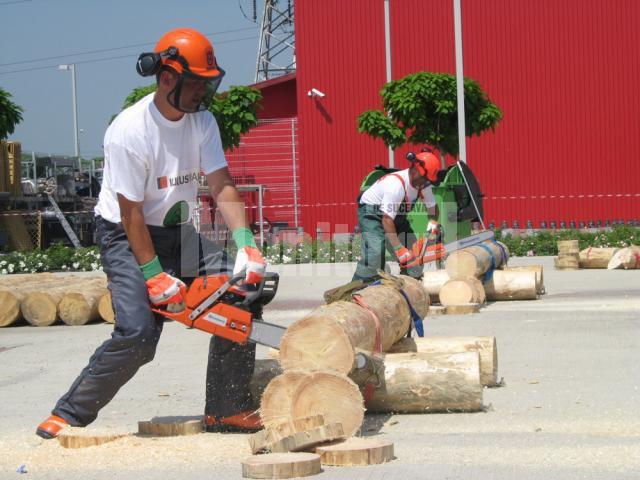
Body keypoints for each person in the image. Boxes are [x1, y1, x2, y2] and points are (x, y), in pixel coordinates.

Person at [36, 28, 266, 439]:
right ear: (166, 78)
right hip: (126, 236)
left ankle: (226, 409)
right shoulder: (129, 131)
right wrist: (155, 275)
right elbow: (130, 214)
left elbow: (221, 184)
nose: (202, 92)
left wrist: (246, 243)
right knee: (139, 334)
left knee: (245, 291)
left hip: (177, 231)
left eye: (207, 83)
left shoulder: (203, 122)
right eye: (195, 83)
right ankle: (70, 413)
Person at [352, 150, 442, 283]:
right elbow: (387, 220)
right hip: (372, 212)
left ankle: (410, 287)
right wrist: (398, 248)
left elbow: (433, 209)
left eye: (428, 180)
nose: (426, 183)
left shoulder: (423, 185)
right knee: (375, 253)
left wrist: (432, 223)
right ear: (415, 170)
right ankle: (356, 288)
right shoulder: (395, 185)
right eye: (425, 179)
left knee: (415, 255)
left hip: (394, 216)